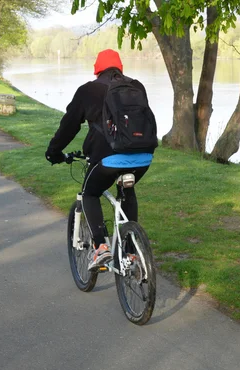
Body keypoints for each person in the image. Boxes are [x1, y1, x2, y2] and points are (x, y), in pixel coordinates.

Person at [45, 49, 157, 271]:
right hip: (143, 157)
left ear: (97, 69)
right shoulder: (137, 86)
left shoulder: (88, 90)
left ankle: (100, 246)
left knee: (90, 193)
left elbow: (69, 126)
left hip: (108, 160)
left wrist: (54, 152)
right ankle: (131, 252)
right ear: (120, 67)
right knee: (127, 190)